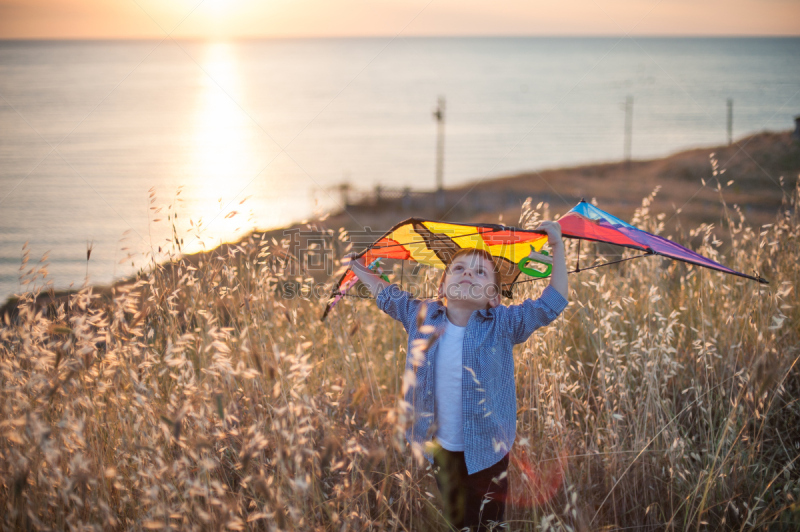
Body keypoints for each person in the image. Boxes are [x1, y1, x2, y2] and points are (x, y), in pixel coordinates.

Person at [345, 221, 568, 531]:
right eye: (459, 268)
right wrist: (359, 267)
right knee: (459, 522)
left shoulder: (503, 323)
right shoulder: (421, 315)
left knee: (490, 524)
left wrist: (556, 246)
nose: (467, 274)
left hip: (490, 452)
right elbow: (388, 296)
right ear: (441, 287)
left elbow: (552, 302)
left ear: (494, 296)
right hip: (443, 450)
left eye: (480, 273)